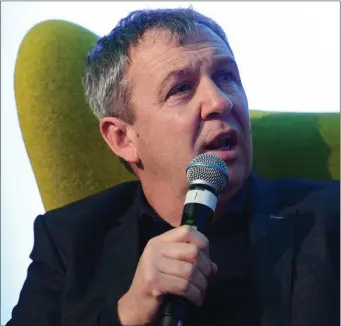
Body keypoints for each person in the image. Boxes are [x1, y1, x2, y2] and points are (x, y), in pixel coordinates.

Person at [7, 7, 339, 326]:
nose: (219, 101)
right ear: (123, 138)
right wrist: (126, 315)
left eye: (226, 77)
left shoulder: (328, 217)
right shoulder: (69, 243)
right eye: (180, 88)